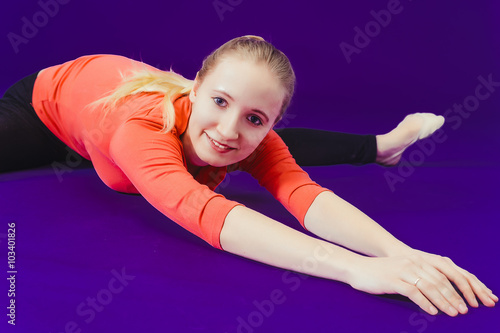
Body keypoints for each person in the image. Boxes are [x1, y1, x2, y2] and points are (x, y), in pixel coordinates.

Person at [0, 35, 496, 316]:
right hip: (46, 109)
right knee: (225, 148)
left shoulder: (238, 130)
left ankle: (382, 147)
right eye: (218, 100)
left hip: (121, 125)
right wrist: (355, 268)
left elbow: (302, 191)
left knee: (249, 150)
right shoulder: (140, 129)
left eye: (256, 117)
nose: (230, 125)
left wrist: (402, 254)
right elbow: (205, 212)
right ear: (195, 90)